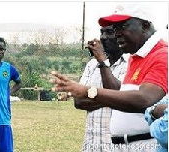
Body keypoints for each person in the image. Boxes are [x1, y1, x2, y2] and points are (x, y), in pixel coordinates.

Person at [50, 3, 167, 152]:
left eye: (122, 26)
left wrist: (89, 92)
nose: (117, 33)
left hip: (145, 145)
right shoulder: (136, 56)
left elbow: (144, 99)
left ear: (144, 25)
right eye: (115, 28)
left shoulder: (162, 55)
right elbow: (121, 95)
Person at [75, 25, 129, 152]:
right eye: (102, 32)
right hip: (92, 144)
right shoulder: (92, 65)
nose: (103, 37)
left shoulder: (131, 63)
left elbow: (118, 94)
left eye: (109, 32)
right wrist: (110, 99)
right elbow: (78, 101)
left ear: (121, 35)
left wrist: (103, 61)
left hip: (116, 146)